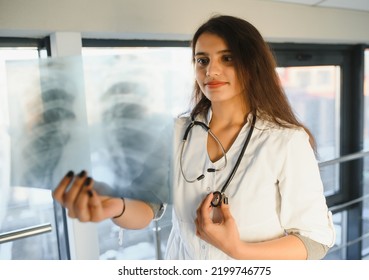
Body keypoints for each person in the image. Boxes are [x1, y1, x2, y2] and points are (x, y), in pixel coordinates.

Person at [53, 15, 335, 260]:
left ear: (252, 66)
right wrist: (116, 206)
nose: (210, 71)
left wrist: (238, 250)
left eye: (227, 58)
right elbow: (148, 206)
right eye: (202, 60)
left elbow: (314, 240)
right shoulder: (176, 132)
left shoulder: (286, 141)